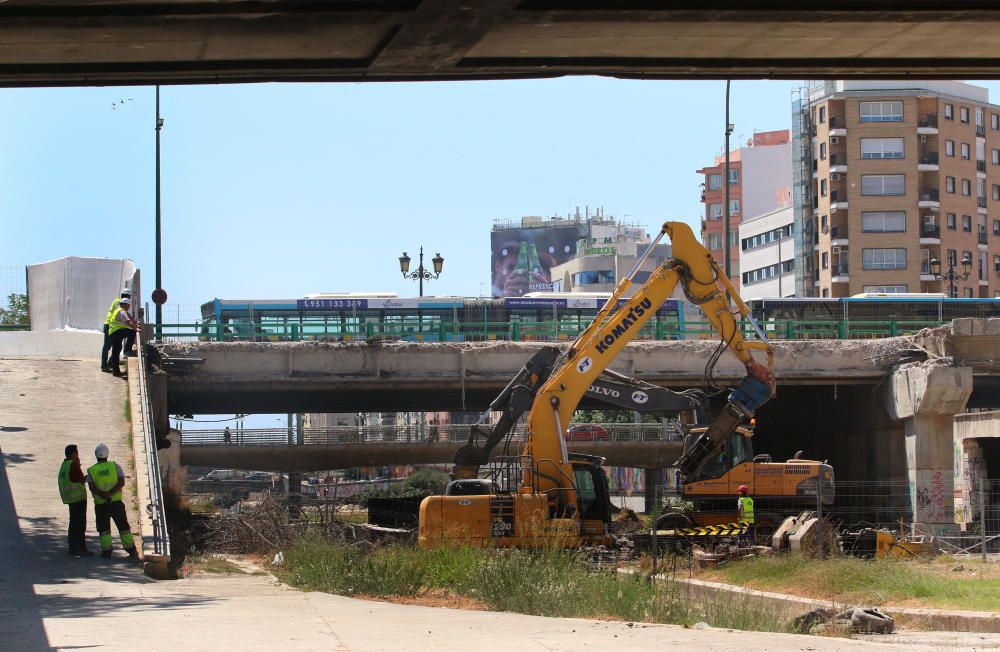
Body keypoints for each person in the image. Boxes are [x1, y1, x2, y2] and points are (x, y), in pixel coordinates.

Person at [86, 443, 138, 559]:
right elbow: (121, 482)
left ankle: (106, 551)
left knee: (104, 528)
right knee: (123, 526)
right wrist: (111, 493)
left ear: (96, 455)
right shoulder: (115, 466)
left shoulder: (91, 470)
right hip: (116, 503)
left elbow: (92, 487)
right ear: (107, 454)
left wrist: (103, 494)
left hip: (101, 505)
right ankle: (131, 550)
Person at [58, 444, 93, 557]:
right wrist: (92, 476)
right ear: (73, 454)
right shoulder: (73, 465)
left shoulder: (64, 465)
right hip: (78, 498)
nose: (78, 455)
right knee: (80, 524)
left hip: (70, 498)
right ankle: (81, 548)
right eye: (77, 453)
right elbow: (80, 479)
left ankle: (73, 547)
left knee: (73, 523)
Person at [107, 296, 140, 378]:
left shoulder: (118, 310)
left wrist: (135, 323)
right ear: (125, 305)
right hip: (117, 332)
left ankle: (116, 371)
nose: (129, 307)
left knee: (116, 351)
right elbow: (128, 322)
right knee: (132, 332)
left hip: (113, 332)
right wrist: (136, 329)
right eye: (128, 305)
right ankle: (128, 350)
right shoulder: (122, 311)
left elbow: (130, 319)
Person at [100, 288, 131, 372]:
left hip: (112, 326)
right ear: (127, 296)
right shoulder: (119, 302)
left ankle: (110, 363)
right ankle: (104, 365)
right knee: (108, 346)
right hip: (110, 326)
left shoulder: (117, 301)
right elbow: (122, 313)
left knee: (116, 347)